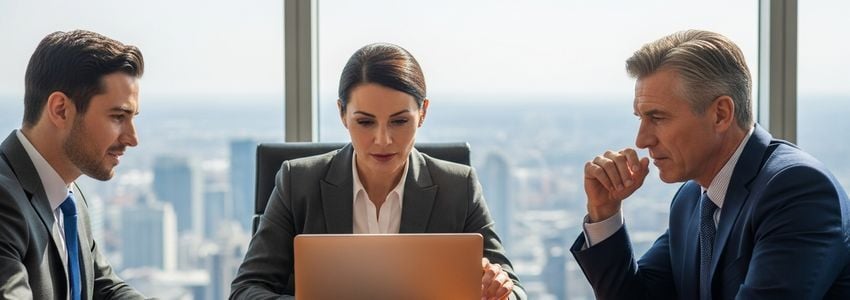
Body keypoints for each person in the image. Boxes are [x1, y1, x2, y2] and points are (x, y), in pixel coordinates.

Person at [230, 43, 526, 300]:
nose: (383, 140)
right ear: (342, 114)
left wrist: (499, 290)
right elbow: (246, 290)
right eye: (365, 122)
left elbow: (513, 290)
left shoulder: (458, 186)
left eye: (399, 122)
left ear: (422, 113)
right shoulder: (298, 182)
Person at [571, 29, 850, 299]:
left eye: (657, 118)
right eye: (639, 118)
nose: (641, 140)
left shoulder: (797, 189)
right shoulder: (692, 199)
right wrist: (605, 213)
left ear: (720, 114)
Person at [0, 30, 147, 299]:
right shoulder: (4, 199)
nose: (132, 138)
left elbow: (103, 286)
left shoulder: (69, 196)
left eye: (133, 118)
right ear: (60, 110)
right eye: (117, 116)